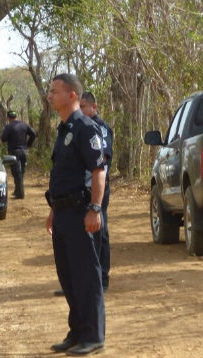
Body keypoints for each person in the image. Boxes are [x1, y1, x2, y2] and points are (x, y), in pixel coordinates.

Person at [45, 73, 106, 356]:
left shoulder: (86, 128)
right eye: (50, 91)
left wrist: (95, 208)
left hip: (81, 212)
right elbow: (64, 174)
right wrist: (52, 211)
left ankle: (93, 335)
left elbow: (98, 171)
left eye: (55, 91)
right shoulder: (63, 128)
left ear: (72, 96)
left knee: (86, 276)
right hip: (62, 213)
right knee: (68, 275)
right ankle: (77, 331)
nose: (50, 95)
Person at [80, 91, 113, 292]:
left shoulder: (101, 128)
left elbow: (103, 158)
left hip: (98, 186)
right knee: (83, 234)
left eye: (84, 106)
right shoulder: (78, 127)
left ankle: (101, 279)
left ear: (94, 106)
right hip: (80, 187)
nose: (81, 110)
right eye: (79, 106)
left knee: (99, 230)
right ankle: (86, 281)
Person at [1, 110, 36, 199]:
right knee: (21, 172)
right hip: (24, 151)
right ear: (16, 116)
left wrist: (6, 132)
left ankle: (20, 194)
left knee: (16, 172)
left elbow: (3, 139)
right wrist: (28, 144)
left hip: (14, 152)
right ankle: (17, 191)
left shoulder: (8, 126)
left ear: (8, 118)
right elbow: (33, 134)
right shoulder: (24, 125)